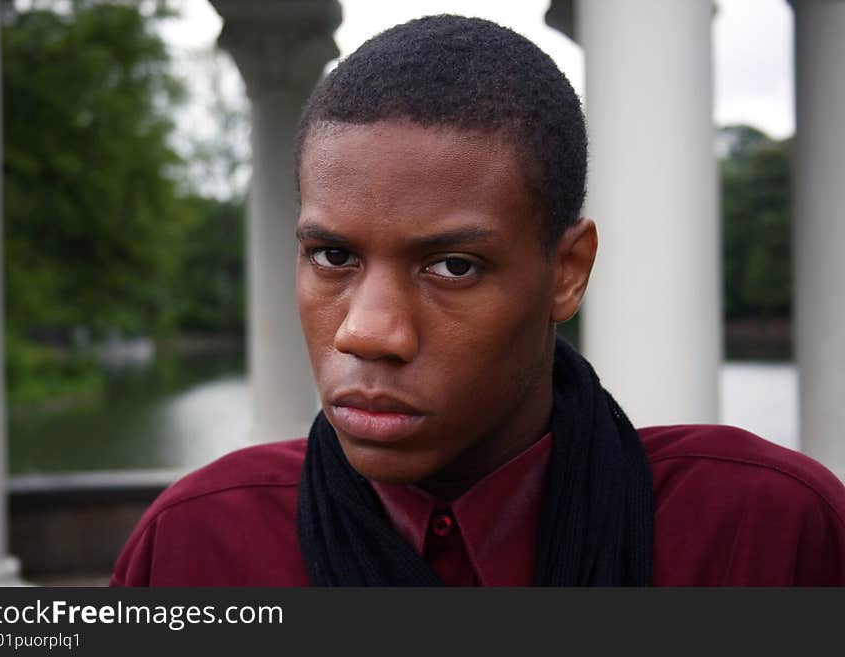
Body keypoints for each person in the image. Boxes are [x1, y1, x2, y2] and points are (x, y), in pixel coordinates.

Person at [111, 15, 845, 586]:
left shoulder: (762, 532)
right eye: (332, 256)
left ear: (568, 270)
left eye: (453, 266)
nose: (368, 333)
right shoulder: (196, 544)